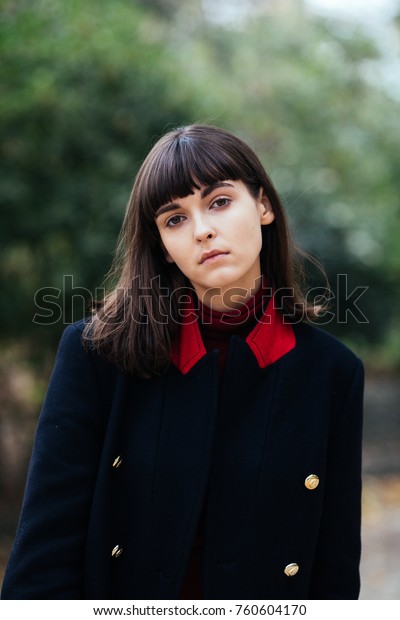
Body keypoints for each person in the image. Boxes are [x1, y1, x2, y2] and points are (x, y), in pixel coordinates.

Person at [1, 124, 364, 600]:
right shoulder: (96, 355)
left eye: (219, 201)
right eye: (174, 219)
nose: (203, 230)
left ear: (264, 206)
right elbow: (44, 558)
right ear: (162, 247)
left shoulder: (333, 373)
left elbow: (333, 577)